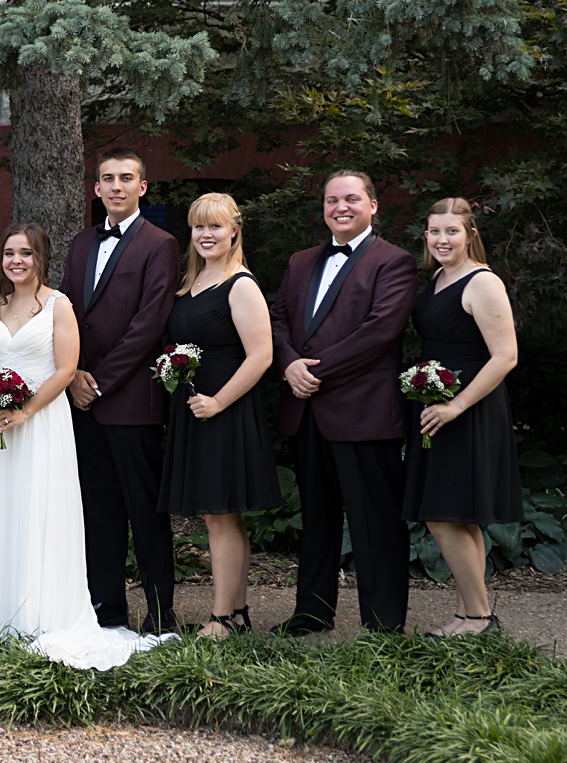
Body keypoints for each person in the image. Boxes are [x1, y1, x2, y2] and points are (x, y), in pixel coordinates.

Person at [0, 223, 173, 669]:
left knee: (40, 510)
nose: (17, 261)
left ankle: (42, 611)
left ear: (41, 259)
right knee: (0, 512)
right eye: (10, 253)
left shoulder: (59, 305)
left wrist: (24, 411)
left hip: (41, 421)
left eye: (26, 254)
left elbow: (65, 369)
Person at [269, 170, 417, 635]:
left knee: (375, 521)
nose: (341, 207)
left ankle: (384, 623)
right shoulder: (300, 261)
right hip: (307, 409)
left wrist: (313, 370)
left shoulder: (394, 262)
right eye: (332, 200)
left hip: (363, 410)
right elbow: (275, 319)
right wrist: (288, 363)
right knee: (316, 520)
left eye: (352, 199)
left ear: (373, 205)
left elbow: (379, 332)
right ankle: (311, 614)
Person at [60, 150, 180, 633]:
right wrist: (72, 375)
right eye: (107, 179)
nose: (115, 186)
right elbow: (65, 312)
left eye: (125, 178)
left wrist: (100, 381)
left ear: (142, 187)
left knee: (145, 513)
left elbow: (149, 325)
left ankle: (159, 611)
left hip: (130, 402)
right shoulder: (81, 243)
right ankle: (106, 612)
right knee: (98, 512)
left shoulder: (161, 244)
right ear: (96, 189)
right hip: (82, 398)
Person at [157, 194, 281, 637]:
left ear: (234, 231)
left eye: (215, 227)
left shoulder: (240, 283)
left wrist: (218, 402)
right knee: (217, 514)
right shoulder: (191, 280)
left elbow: (261, 355)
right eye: (198, 227)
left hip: (225, 409)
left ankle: (223, 618)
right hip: (194, 409)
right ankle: (237, 613)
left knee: (219, 513)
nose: (206, 235)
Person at [402, 197, 522, 636]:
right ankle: (469, 614)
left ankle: (478, 617)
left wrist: (456, 405)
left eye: (452, 231)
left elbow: (505, 356)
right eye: (435, 231)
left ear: (470, 234)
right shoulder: (438, 276)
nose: (442, 239)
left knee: (443, 515)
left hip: (468, 410)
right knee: (456, 516)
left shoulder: (482, 283)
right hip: (437, 405)